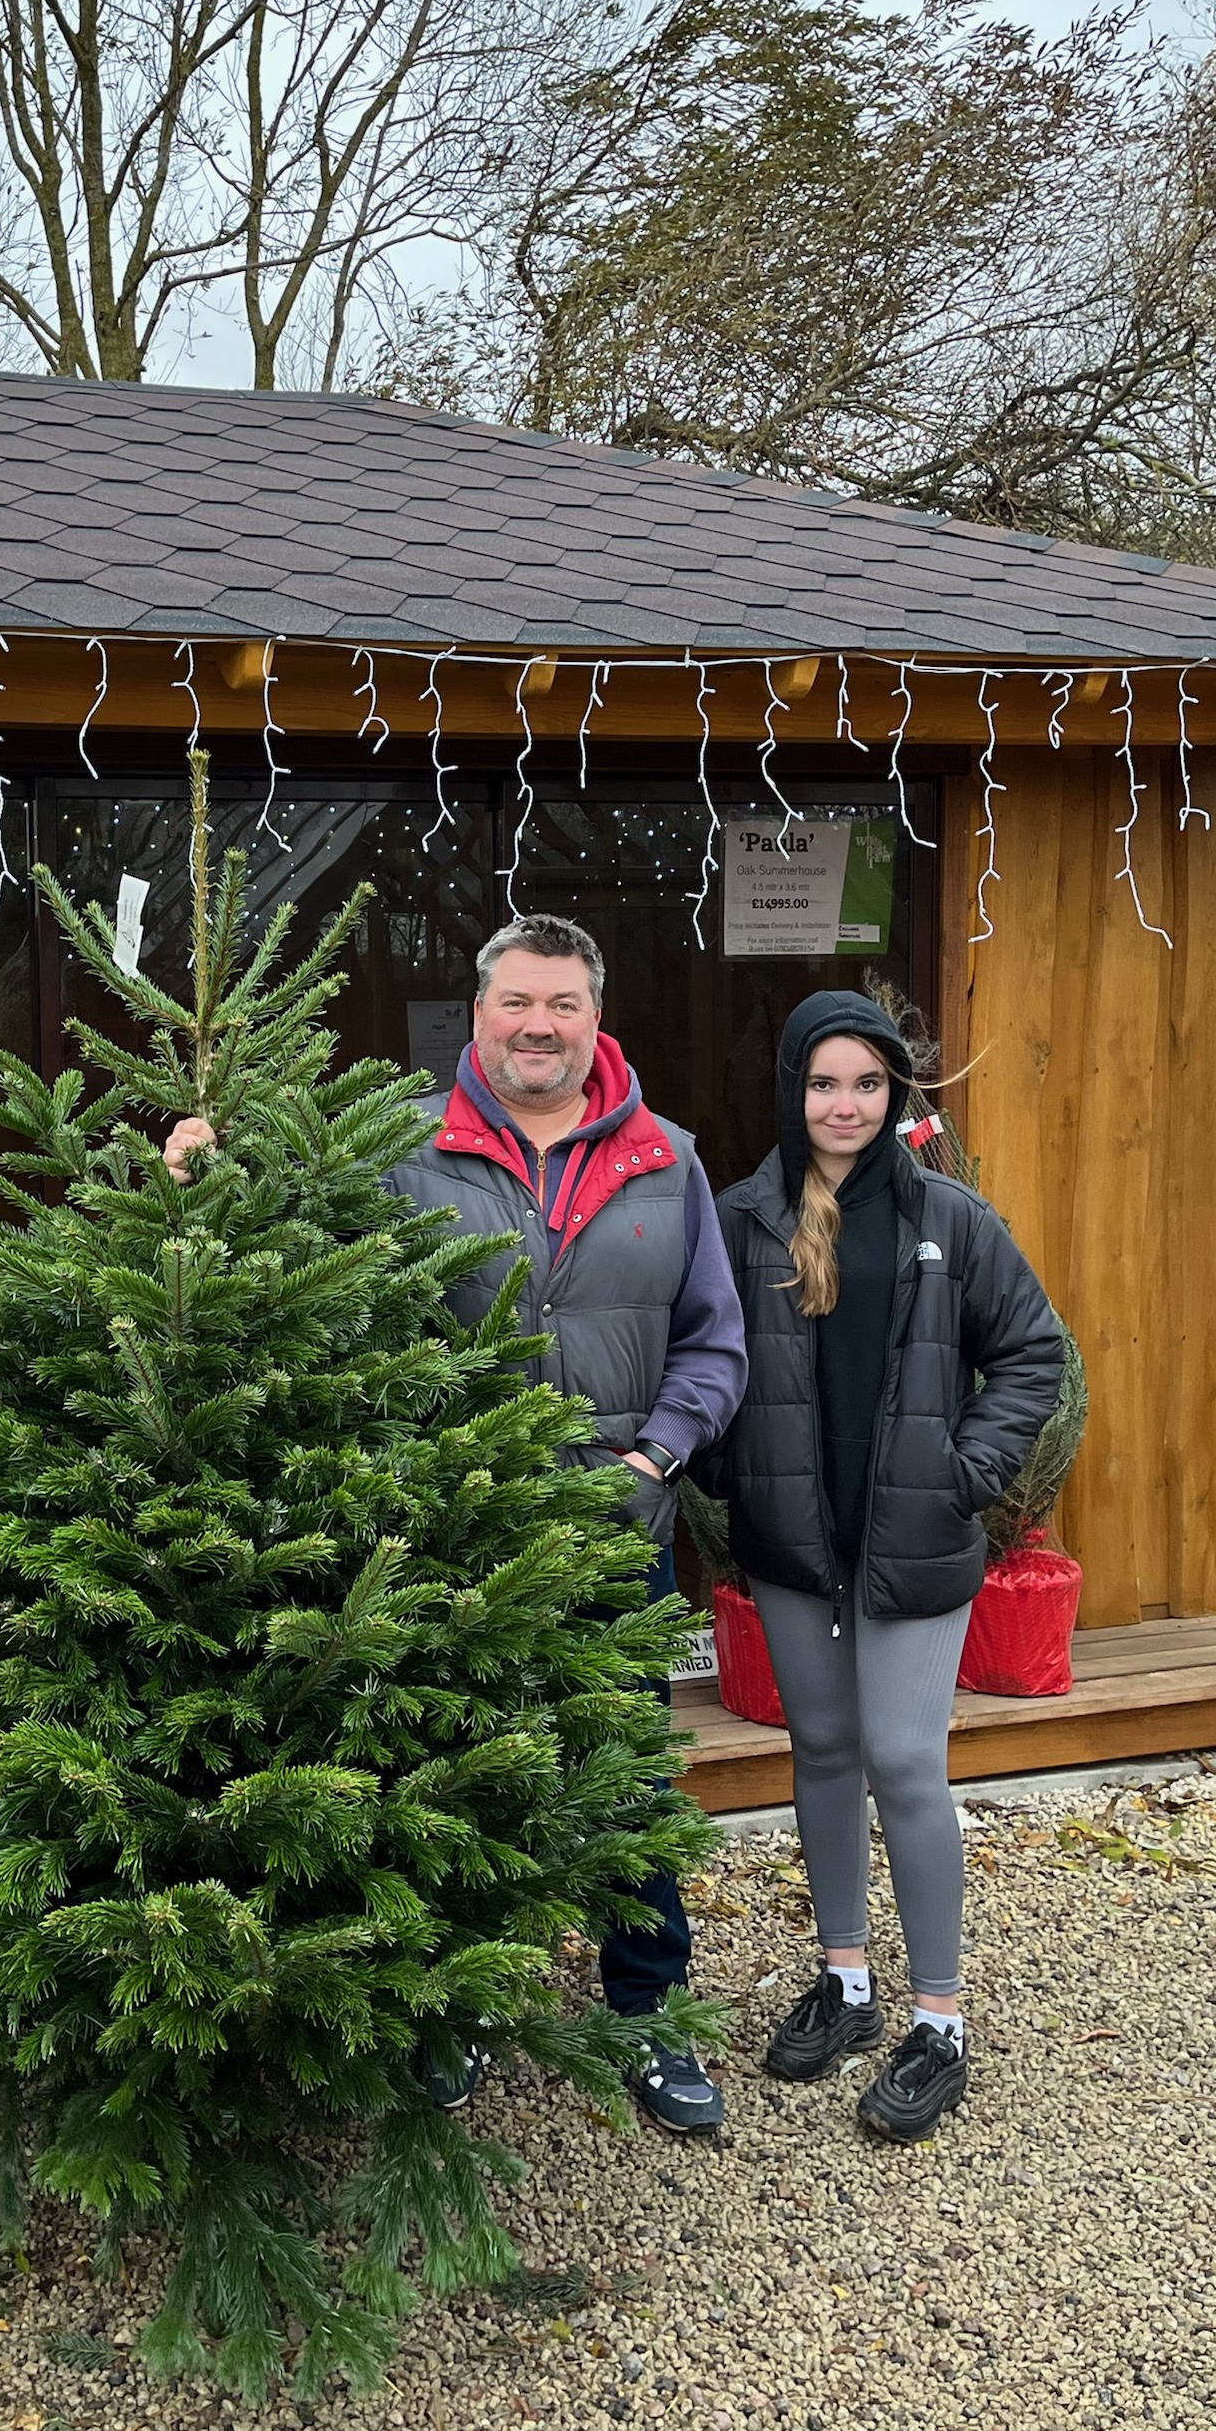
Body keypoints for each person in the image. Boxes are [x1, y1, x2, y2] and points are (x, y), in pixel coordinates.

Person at [168, 913, 747, 2134]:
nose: (539, 1026)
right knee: (449, 1777)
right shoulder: (407, 1151)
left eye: (563, 1004)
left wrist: (655, 1457)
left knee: (627, 1781)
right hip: (453, 1539)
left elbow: (715, 1342)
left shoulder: (669, 1159)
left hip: (616, 1530)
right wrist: (215, 1172)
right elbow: (313, 1274)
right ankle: (460, 2005)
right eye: (516, 1003)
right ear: (477, 1014)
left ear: (595, 1017)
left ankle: (650, 2011)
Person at [699, 992, 1063, 2143]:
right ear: (792, 1090)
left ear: (894, 1092)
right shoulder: (744, 1217)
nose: (845, 1104)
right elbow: (698, 1352)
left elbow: (1032, 1351)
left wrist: (966, 1471)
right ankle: (846, 1978)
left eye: (866, 1083)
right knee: (821, 1749)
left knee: (905, 1761)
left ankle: (938, 2020)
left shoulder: (947, 1218)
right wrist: (729, 1473)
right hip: (797, 1543)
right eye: (824, 1083)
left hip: (914, 1537)